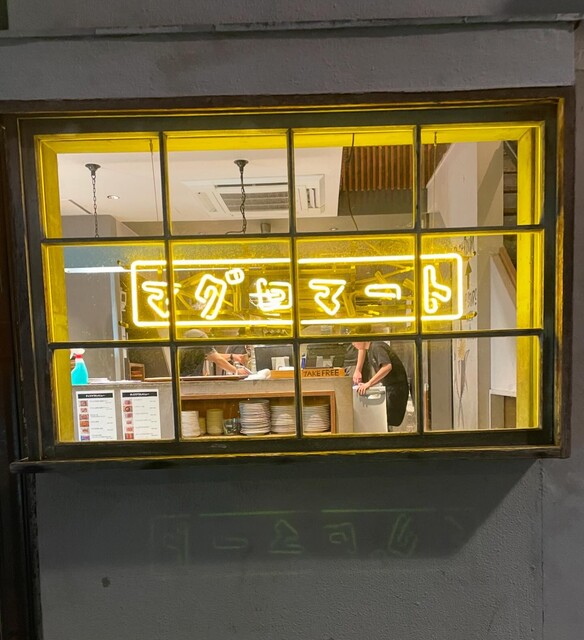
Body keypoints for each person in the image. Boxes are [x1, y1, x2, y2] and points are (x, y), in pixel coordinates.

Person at [352, 340, 409, 428]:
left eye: (354, 341)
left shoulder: (376, 347)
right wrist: (367, 384)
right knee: (384, 420)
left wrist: (369, 384)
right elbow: (382, 373)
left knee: (388, 420)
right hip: (391, 387)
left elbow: (387, 367)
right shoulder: (371, 350)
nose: (353, 344)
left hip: (396, 388)